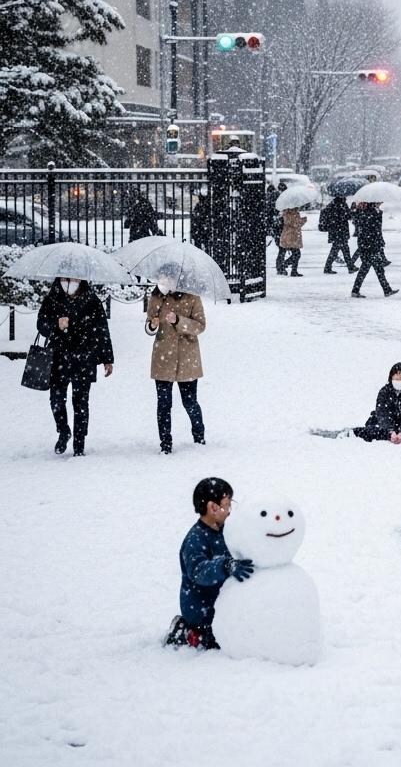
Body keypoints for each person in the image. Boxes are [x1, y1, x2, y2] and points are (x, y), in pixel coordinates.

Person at [165, 477, 254, 651]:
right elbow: (199, 572)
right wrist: (225, 566)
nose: (230, 511)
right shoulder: (195, 540)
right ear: (213, 507)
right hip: (202, 610)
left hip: (224, 603)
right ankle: (185, 632)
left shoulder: (228, 531)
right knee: (219, 641)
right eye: (227, 505)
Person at [36, 277, 114, 456]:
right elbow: (41, 325)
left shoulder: (91, 300)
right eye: (65, 278)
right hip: (58, 357)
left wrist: (107, 358)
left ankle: (79, 444)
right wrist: (56, 324)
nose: (69, 281)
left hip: (84, 357)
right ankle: (63, 431)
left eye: (73, 278)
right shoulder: (52, 298)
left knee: (80, 403)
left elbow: (102, 329)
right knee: (56, 400)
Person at [146, 266, 207, 454]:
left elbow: (200, 326)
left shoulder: (192, 296)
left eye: (168, 278)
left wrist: (178, 321)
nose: (164, 281)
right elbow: (149, 326)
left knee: (190, 402)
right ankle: (165, 442)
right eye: (161, 278)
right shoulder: (156, 296)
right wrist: (152, 325)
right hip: (163, 357)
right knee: (163, 404)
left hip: (187, 358)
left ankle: (199, 435)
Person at [351, 202, 398, 297]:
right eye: (378, 203)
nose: (380, 204)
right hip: (371, 246)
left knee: (368, 269)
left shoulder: (364, 214)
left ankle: (356, 290)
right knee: (376, 269)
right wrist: (378, 242)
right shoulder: (372, 214)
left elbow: (369, 230)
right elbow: (375, 231)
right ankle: (386, 290)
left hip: (366, 245)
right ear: (373, 204)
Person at [319, 195, 357, 274]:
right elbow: (347, 216)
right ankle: (349, 267)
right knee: (340, 250)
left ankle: (350, 267)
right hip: (341, 231)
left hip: (334, 231)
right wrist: (353, 210)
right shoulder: (342, 205)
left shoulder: (331, 205)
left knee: (341, 250)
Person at [278, 204, 307, 277]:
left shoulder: (289, 212)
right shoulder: (290, 213)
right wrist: (303, 220)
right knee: (297, 254)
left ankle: (292, 270)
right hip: (291, 237)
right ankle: (286, 266)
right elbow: (295, 224)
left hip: (291, 236)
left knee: (296, 254)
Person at [271, 181, 288, 274]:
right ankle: (280, 267)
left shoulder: (274, 198)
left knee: (282, 249)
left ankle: (280, 267)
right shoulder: (280, 199)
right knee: (282, 249)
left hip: (277, 228)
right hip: (280, 228)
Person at [190, 188, 211, 252]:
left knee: (198, 246)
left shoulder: (199, 206)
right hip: (203, 228)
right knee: (205, 245)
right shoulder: (208, 206)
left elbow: (194, 217)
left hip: (199, 228)